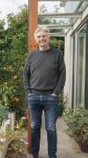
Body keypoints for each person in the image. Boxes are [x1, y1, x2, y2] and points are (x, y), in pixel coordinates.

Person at [23, 26, 66, 158]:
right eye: (39, 37)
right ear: (36, 39)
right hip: (34, 97)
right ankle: (34, 154)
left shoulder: (57, 54)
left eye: (44, 36)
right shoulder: (32, 55)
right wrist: (28, 92)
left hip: (50, 98)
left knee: (51, 128)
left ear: (49, 37)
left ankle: (52, 155)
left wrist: (56, 92)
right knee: (35, 127)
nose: (42, 39)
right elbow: (25, 74)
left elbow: (62, 74)